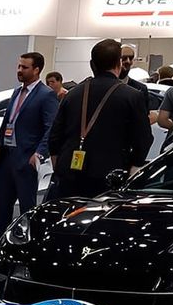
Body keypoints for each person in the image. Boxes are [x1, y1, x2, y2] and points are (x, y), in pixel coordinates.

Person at [46, 36, 153, 199]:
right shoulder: (132, 96)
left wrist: (59, 165)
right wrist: (134, 167)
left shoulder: (72, 94)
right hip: (111, 175)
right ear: (118, 64)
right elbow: (144, 138)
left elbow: (54, 137)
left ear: (92, 65)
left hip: (70, 172)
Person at [0, 51, 54, 241]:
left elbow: (51, 128)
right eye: (19, 66)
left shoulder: (46, 95)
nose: (19, 70)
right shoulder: (17, 92)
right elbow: (7, 122)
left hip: (27, 160)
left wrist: (39, 154)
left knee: (27, 209)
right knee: (2, 209)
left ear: (37, 70)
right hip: (7, 159)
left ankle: (29, 244)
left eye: (24, 67)